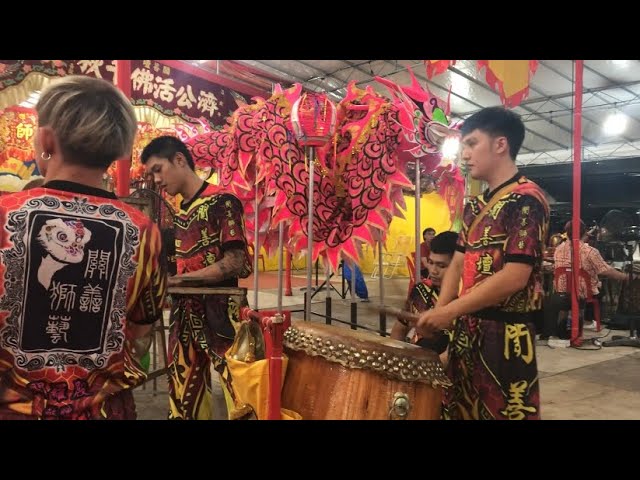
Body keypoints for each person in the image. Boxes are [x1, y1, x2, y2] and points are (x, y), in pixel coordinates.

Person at [0, 76, 166, 420]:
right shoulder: (143, 230)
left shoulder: (5, 214)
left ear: (46, 139)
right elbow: (142, 327)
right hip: (105, 411)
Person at [416, 107, 549, 420]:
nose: (464, 154)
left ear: (500, 145)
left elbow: (515, 276)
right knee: (458, 409)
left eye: (472, 143)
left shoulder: (527, 199)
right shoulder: (474, 205)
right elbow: (458, 263)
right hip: (467, 329)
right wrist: (439, 311)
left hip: (505, 334)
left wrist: (449, 311)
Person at [141, 136, 252, 420]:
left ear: (179, 159)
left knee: (243, 396)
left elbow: (236, 262)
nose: (155, 180)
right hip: (184, 315)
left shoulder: (223, 202)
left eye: (157, 169)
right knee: (181, 399)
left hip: (224, 313)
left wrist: (181, 280)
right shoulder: (177, 216)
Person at [543, 219, 630, 340]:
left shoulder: (559, 249)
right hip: (581, 294)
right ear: (584, 232)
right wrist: (626, 277)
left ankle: (562, 329)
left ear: (566, 233)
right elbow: (605, 270)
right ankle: (587, 323)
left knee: (571, 292)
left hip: (560, 292)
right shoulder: (590, 252)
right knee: (599, 291)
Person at [392, 231, 458, 363]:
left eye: (441, 265)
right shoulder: (421, 291)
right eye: (430, 263)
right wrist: (395, 358)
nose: (433, 271)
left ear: (459, 265)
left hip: (450, 371)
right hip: (421, 363)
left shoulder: (467, 300)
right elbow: (399, 330)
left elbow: (451, 355)